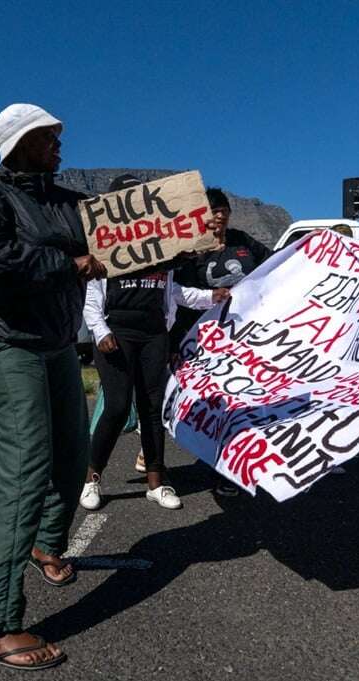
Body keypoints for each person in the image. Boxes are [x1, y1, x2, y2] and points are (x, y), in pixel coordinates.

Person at [0, 103, 107, 671]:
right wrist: (72, 265)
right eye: (50, 137)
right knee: (24, 471)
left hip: (58, 343)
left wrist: (181, 239)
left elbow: (118, 241)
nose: (61, 145)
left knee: (74, 457)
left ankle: (47, 542)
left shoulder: (68, 203)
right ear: (17, 142)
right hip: (8, 341)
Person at [79, 175, 227, 512]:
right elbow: (90, 297)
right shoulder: (105, 248)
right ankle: (91, 478)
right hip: (117, 334)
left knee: (152, 409)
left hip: (153, 335)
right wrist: (100, 332)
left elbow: (172, 292)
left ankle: (156, 483)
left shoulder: (163, 248)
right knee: (116, 408)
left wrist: (210, 297)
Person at [172, 187, 273, 495]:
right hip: (208, 340)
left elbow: (275, 264)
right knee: (219, 401)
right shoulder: (190, 250)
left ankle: (245, 464)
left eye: (223, 209)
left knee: (248, 398)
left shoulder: (244, 241)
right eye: (212, 210)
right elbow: (179, 294)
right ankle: (220, 466)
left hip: (247, 335)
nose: (219, 215)